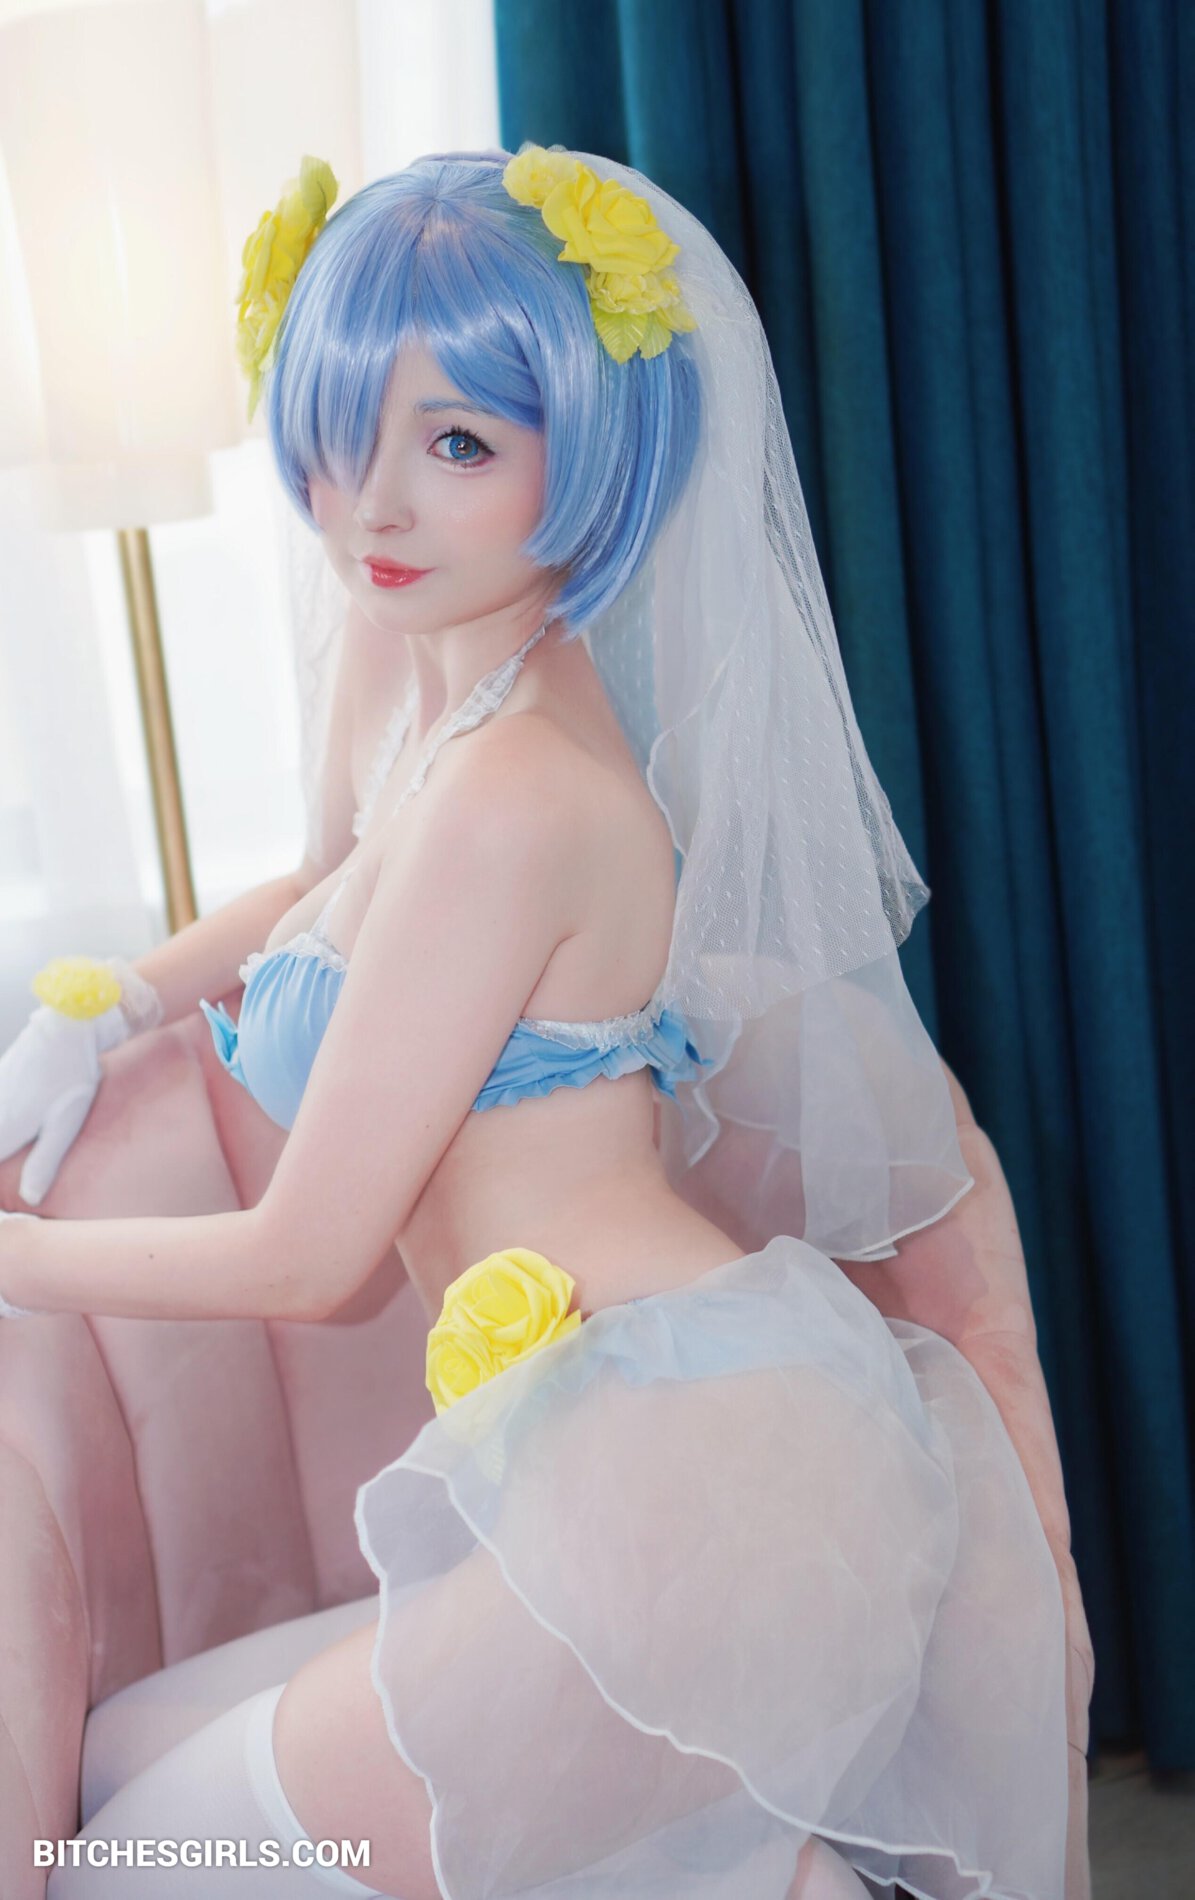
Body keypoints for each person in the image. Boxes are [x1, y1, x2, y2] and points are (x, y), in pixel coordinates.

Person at [0, 146, 1084, 1898]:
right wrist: (120, 993)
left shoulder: (520, 793)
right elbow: (325, 885)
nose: (373, 507)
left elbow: (310, 1260)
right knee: (109, 1770)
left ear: (588, 448)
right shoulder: (416, 654)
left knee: (131, 1859)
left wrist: (11, 1255)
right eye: (341, 431)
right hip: (614, 1450)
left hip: (694, 1471)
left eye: (457, 446)